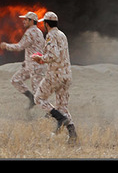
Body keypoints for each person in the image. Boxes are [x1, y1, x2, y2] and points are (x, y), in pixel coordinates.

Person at [31, 11, 77, 144]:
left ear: (46, 24)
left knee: (39, 98)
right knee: (62, 106)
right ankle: (72, 134)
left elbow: (53, 55)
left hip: (55, 75)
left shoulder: (51, 35)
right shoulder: (62, 35)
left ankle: (59, 118)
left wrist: (40, 58)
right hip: (66, 75)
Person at [0, 11, 46, 108]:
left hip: (35, 67)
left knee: (38, 95)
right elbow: (36, 49)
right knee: (15, 80)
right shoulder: (39, 32)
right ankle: (31, 98)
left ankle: (52, 114)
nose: (23, 21)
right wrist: (26, 62)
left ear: (31, 21)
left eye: (26, 19)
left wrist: (6, 46)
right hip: (31, 65)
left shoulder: (30, 33)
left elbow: (20, 46)